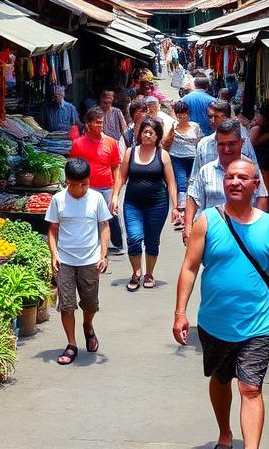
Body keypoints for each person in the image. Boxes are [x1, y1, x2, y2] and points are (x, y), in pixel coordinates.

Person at [173, 159, 269, 449]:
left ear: (255, 185)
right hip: (215, 323)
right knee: (221, 378)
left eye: (242, 177)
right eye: (229, 177)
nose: (235, 182)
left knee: (250, 388)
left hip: (258, 324)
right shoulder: (207, 220)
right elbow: (189, 267)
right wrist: (180, 313)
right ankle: (225, 433)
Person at [45, 158, 111, 366]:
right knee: (66, 305)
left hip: (90, 261)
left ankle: (88, 326)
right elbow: (53, 230)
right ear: (68, 182)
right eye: (79, 184)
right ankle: (71, 344)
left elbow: (104, 227)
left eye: (86, 182)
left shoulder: (96, 198)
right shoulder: (58, 200)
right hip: (65, 261)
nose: (84, 187)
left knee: (90, 304)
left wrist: (103, 255)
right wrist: (54, 255)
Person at [117, 117, 178, 291]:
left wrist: (175, 206)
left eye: (151, 132)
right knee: (134, 238)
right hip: (133, 204)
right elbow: (121, 175)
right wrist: (115, 196)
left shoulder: (163, 155)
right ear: (140, 134)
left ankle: (149, 273)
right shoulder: (130, 152)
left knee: (152, 240)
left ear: (157, 135)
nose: (148, 135)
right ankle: (136, 273)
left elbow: (171, 183)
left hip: (157, 205)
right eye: (145, 131)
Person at [185, 119, 269, 243]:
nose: (227, 149)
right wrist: (188, 226)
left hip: (246, 236)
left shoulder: (251, 168)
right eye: (222, 144)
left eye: (232, 144)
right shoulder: (206, 171)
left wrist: (260, 229)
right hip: (212, 237)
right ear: (216, 144)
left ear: (241, 143)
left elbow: (261, 197)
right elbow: (193, 197)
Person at [190, 102, 268, 217]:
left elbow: (260, 192)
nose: (212, 120)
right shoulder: (204, 146)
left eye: (216, 116)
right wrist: (189, 225)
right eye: (210, 116)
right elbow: (194, 187)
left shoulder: (244, 144)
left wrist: (260, 224)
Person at [70, 106, 125, 255]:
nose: (101, 126)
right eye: (97, 123)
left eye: (102, 122)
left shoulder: (111, 142)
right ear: (88, 124)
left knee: (109, 217)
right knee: (89, 219)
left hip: (107, 187)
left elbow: (116, 168)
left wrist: (115, 194)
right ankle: (96, 250)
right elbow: (74, 167)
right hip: (87, 188)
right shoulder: (78, 144)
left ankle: (115, 246)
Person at [162, 100, 203, 230]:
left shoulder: (195, 127)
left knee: (192, 183)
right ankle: (181, 213)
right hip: (176, 158)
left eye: (183, 113)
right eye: (179, 114)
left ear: (188, 113)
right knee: (181, 183)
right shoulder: (173, 126)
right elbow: (166, 141)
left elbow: (199, 142)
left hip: (192, 158)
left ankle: (190, 212)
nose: (181, 116)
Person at [249, 105, 269, 200]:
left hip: (267, 160)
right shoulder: (260, 128)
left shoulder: (265, 127)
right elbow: (252, 143)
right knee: (265, 191)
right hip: (265, 160)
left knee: (265, 190)